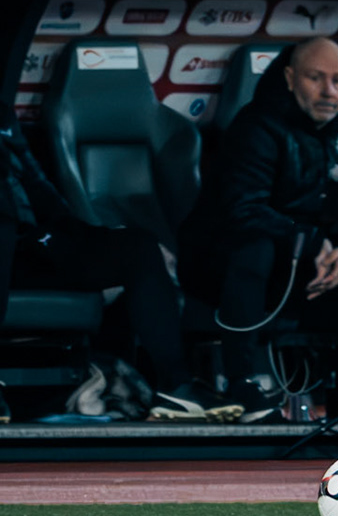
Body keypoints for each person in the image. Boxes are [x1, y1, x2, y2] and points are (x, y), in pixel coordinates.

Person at [181, 38, 338, 423]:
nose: (329, 92)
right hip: (235, 261)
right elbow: (243, 210)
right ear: (290, 78)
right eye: (316, 79)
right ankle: (244, 383)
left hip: (319, 266)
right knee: (255, 247)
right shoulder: (256, 125)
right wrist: (310, 241)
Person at [0, 122, 235, 422]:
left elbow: (37, 184)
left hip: (35, 244)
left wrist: (80, 234)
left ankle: (175, 387)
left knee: (137, 247)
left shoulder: (5, 119)